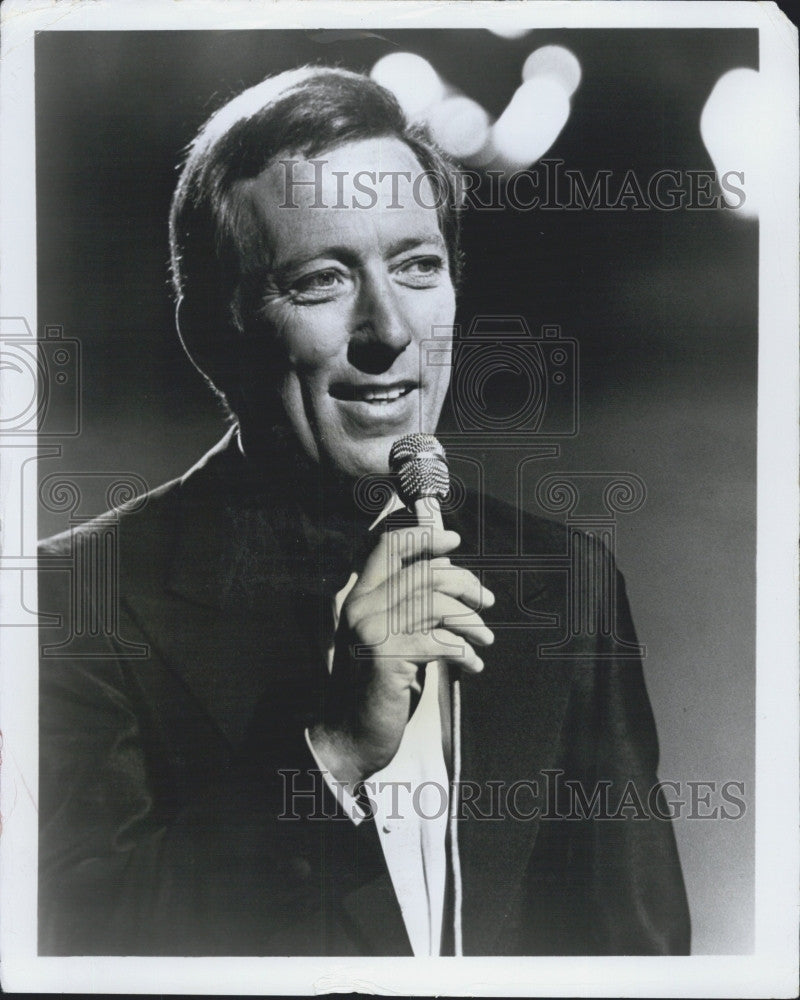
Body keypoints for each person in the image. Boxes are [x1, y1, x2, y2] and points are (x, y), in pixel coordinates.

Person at [38, 66, 690, 956]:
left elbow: (639, 960)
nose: (390, 332)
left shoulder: (569, 580)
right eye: (320, 280)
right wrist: (331, 752)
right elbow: (77, 953)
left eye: (418, 266)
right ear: (211, 336)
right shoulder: (73, 600)